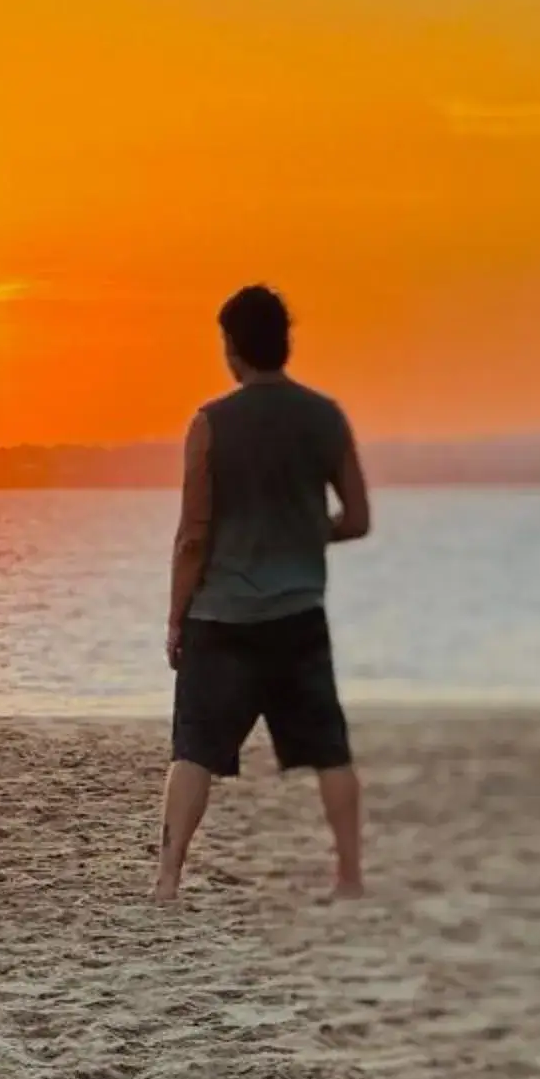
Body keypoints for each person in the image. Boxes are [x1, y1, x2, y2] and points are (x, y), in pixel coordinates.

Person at [155, 283, 373, 904]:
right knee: (329, 748)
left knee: (194, 747)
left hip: (220, 616)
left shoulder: (210, 424)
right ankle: (350, 877)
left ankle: (169, 878)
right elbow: (355, 519)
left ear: (232, 348)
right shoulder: (324, 417)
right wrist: (304, 537)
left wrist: (176, 618)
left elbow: (192, 537)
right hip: (298, 611)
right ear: (285, 344)